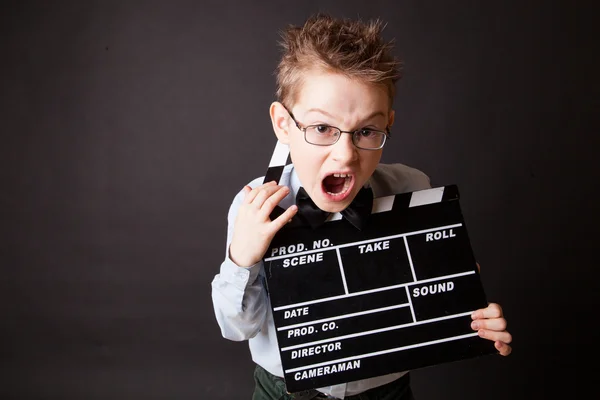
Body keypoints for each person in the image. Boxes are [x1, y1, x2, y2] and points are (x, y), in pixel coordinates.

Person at [211, 13, 512, 400]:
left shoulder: (412, 188)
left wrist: (470, 315)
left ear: (388, 123)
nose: (346, 155)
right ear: (284, 125)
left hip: (385, 390)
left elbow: (431, 302)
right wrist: (242, 258)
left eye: (367, 131)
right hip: (286, 392)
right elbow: (236, 327)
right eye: (321, 128)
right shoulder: (255, 204)